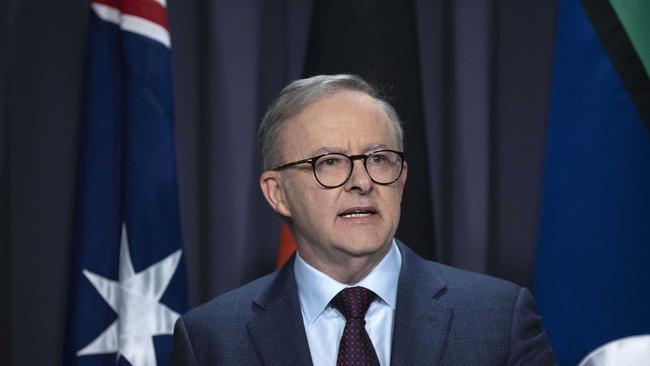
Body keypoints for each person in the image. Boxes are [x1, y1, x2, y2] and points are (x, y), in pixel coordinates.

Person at [172, 74, 556, 365]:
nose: (362, 182)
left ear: (401, 180)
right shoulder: (212, 340)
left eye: (379, 159)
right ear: (278, 192)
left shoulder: (499, 319)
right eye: (329, 163)